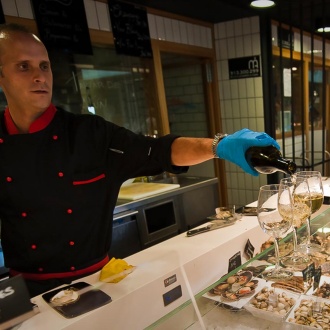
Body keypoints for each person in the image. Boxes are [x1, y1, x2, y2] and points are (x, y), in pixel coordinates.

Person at [0, 23, 279, 297]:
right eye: (24, 66)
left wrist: (219, 145)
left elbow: (158, 150)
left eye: (44, 66)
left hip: (94, 283)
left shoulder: (89, 133)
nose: (40, 76)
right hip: (24, 295)